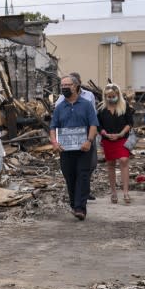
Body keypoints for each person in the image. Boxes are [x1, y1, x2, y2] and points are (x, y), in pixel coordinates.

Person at [49, 74, 99, 220]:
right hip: (65, 150)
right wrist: (54, 142)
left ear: (76, 86)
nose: (64, 88)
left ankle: (80, 208)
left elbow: (93, 125)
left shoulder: (86, 104)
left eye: (67, 85)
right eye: (62, 85)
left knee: (83, 175)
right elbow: (53, 127)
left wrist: (89, 141)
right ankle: (74, 204)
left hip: (83, 148)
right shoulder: (59, 107)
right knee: (69, 176)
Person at [97, 83, 134, 204]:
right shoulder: (101, 109)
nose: (111, 98)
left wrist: (120, 134)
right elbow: (98, 125)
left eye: (113, 95)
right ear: (105, 96)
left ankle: (125, 192)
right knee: (111, 164)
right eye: (108, 96)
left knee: (124, 160)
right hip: (107, 140)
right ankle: (113, 192)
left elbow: (129, 123)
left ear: (118, 95)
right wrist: (105, 134)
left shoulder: (124, 106)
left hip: (122, 138)